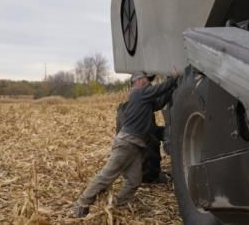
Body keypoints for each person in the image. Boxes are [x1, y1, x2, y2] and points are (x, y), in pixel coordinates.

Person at [70, 70, 178, 218]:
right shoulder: (138, 93)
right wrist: (173, 78)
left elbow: (159, 103)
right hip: (127, 143)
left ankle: (114, 205)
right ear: (139, 81)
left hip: (135, 146)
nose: (150, 83)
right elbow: (158, 90)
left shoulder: (144, 99)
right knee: (106, 176)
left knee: (134, 181)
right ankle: (81, 204)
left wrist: (172, 87)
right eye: (148, 81)